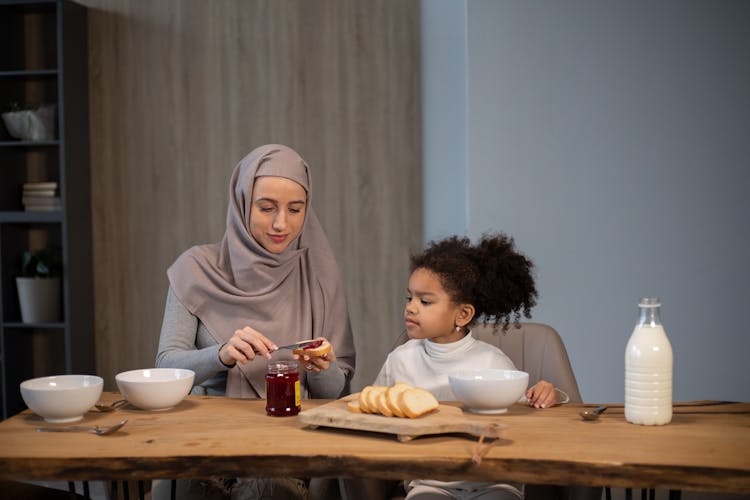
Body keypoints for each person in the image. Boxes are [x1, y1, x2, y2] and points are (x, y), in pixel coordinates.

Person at [154, 144, 355, 499]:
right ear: (241, 202)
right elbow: (165, 366)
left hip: (287, 445)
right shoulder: (196, 269)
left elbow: (335, 397)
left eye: (296, 209)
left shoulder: (321, 278)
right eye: (266, 208)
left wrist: (323, 366)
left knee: (270, 490)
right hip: (205, 438)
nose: (282, 224)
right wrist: (221, 354)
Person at [372, 233, 567, 500]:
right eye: (409, 298)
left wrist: (547, 395)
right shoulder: (400, 360)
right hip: (429, 483)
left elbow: (526, 419)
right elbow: (372, 417)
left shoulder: (493, 362)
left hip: (495, 482)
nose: (411, 308)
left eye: (425, 301)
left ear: (462, 314)